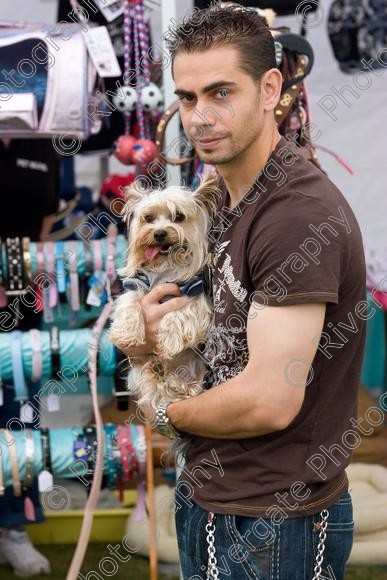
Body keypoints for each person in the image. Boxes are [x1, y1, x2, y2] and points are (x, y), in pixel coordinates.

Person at [122, 4, 366, 579]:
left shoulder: (295, 215)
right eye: (186, 98)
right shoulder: (226, 197)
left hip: (274, 520)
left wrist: (162, 410)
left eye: (221, 92)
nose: (200, 116)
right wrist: (148, 341)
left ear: (270, 88)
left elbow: (268, 399)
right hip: (212, 493)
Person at [0, 137, 59, 576]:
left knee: (19, 418)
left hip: (19, 309)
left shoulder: (42, 143)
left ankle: (14, 529)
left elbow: (43, 226)